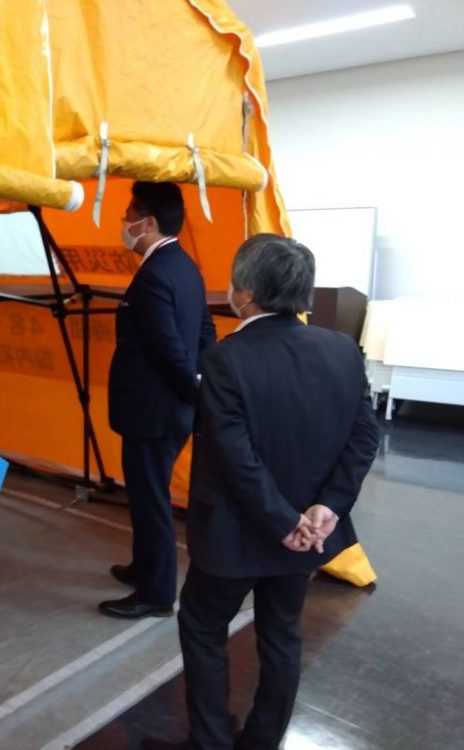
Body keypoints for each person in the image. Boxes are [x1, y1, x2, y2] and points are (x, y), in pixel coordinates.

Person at [142, 235, 379, 750]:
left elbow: (235, 456)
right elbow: (365, 436)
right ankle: (263, 741)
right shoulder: (341, 350)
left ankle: (210, 742)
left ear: (244, 292)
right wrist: (327, 507)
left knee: (203, 625)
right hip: (310, 533)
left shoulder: (226, 358)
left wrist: (282, 521)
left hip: (236, 533)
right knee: (282, 633)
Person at [101, 182, 216, 620]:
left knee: (151, 500)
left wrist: (192, 391)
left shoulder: (154, 275)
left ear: (147, 223)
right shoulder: (185, 267)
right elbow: (205, 332)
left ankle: (156, 593)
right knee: (146, 493)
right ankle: (143, 567)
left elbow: (168, 349)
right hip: (171, 408)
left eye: (129, 215)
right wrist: (198, 388)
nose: (124, 223)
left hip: (153, 411)